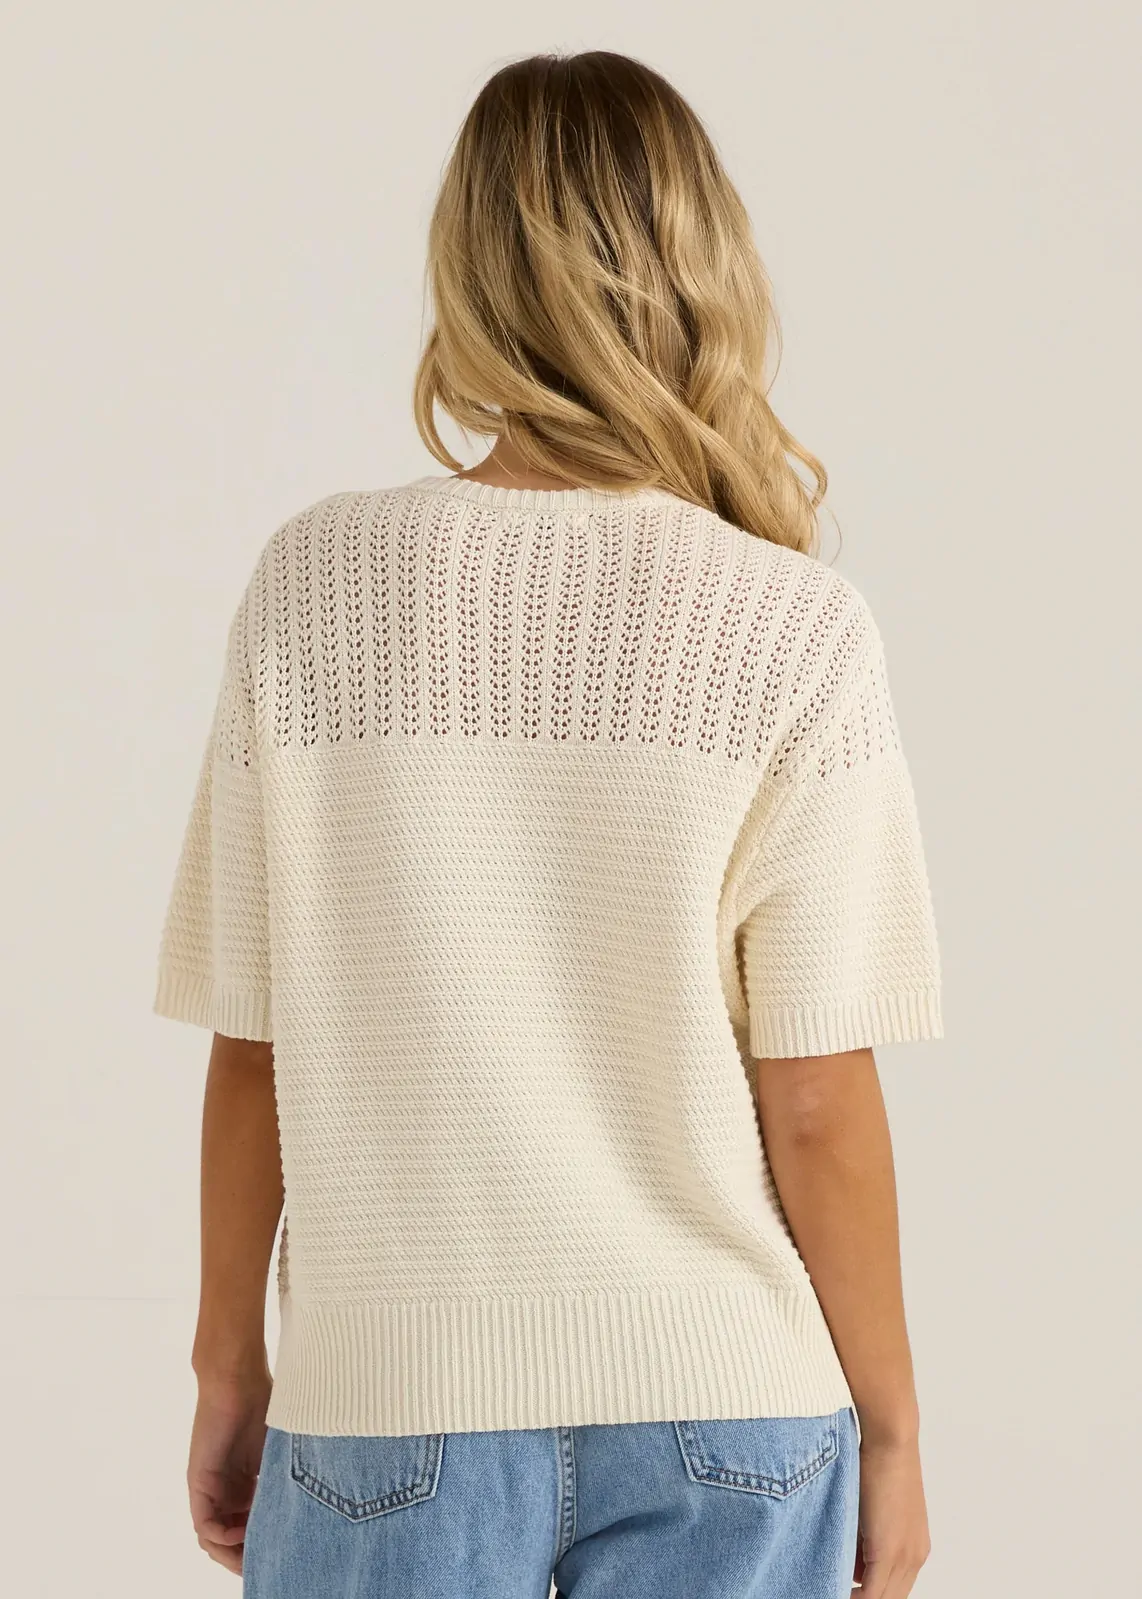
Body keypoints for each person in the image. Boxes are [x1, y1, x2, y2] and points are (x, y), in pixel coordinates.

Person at [153, 49, 942, 1599]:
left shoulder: (311, 588)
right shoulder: (795, 625)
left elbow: (254, 1049)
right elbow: (814, 1099)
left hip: (384, 1410)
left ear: (466, 273)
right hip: (735, 1411)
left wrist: (227, 1366)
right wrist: (896, 1425)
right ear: (704, 268)